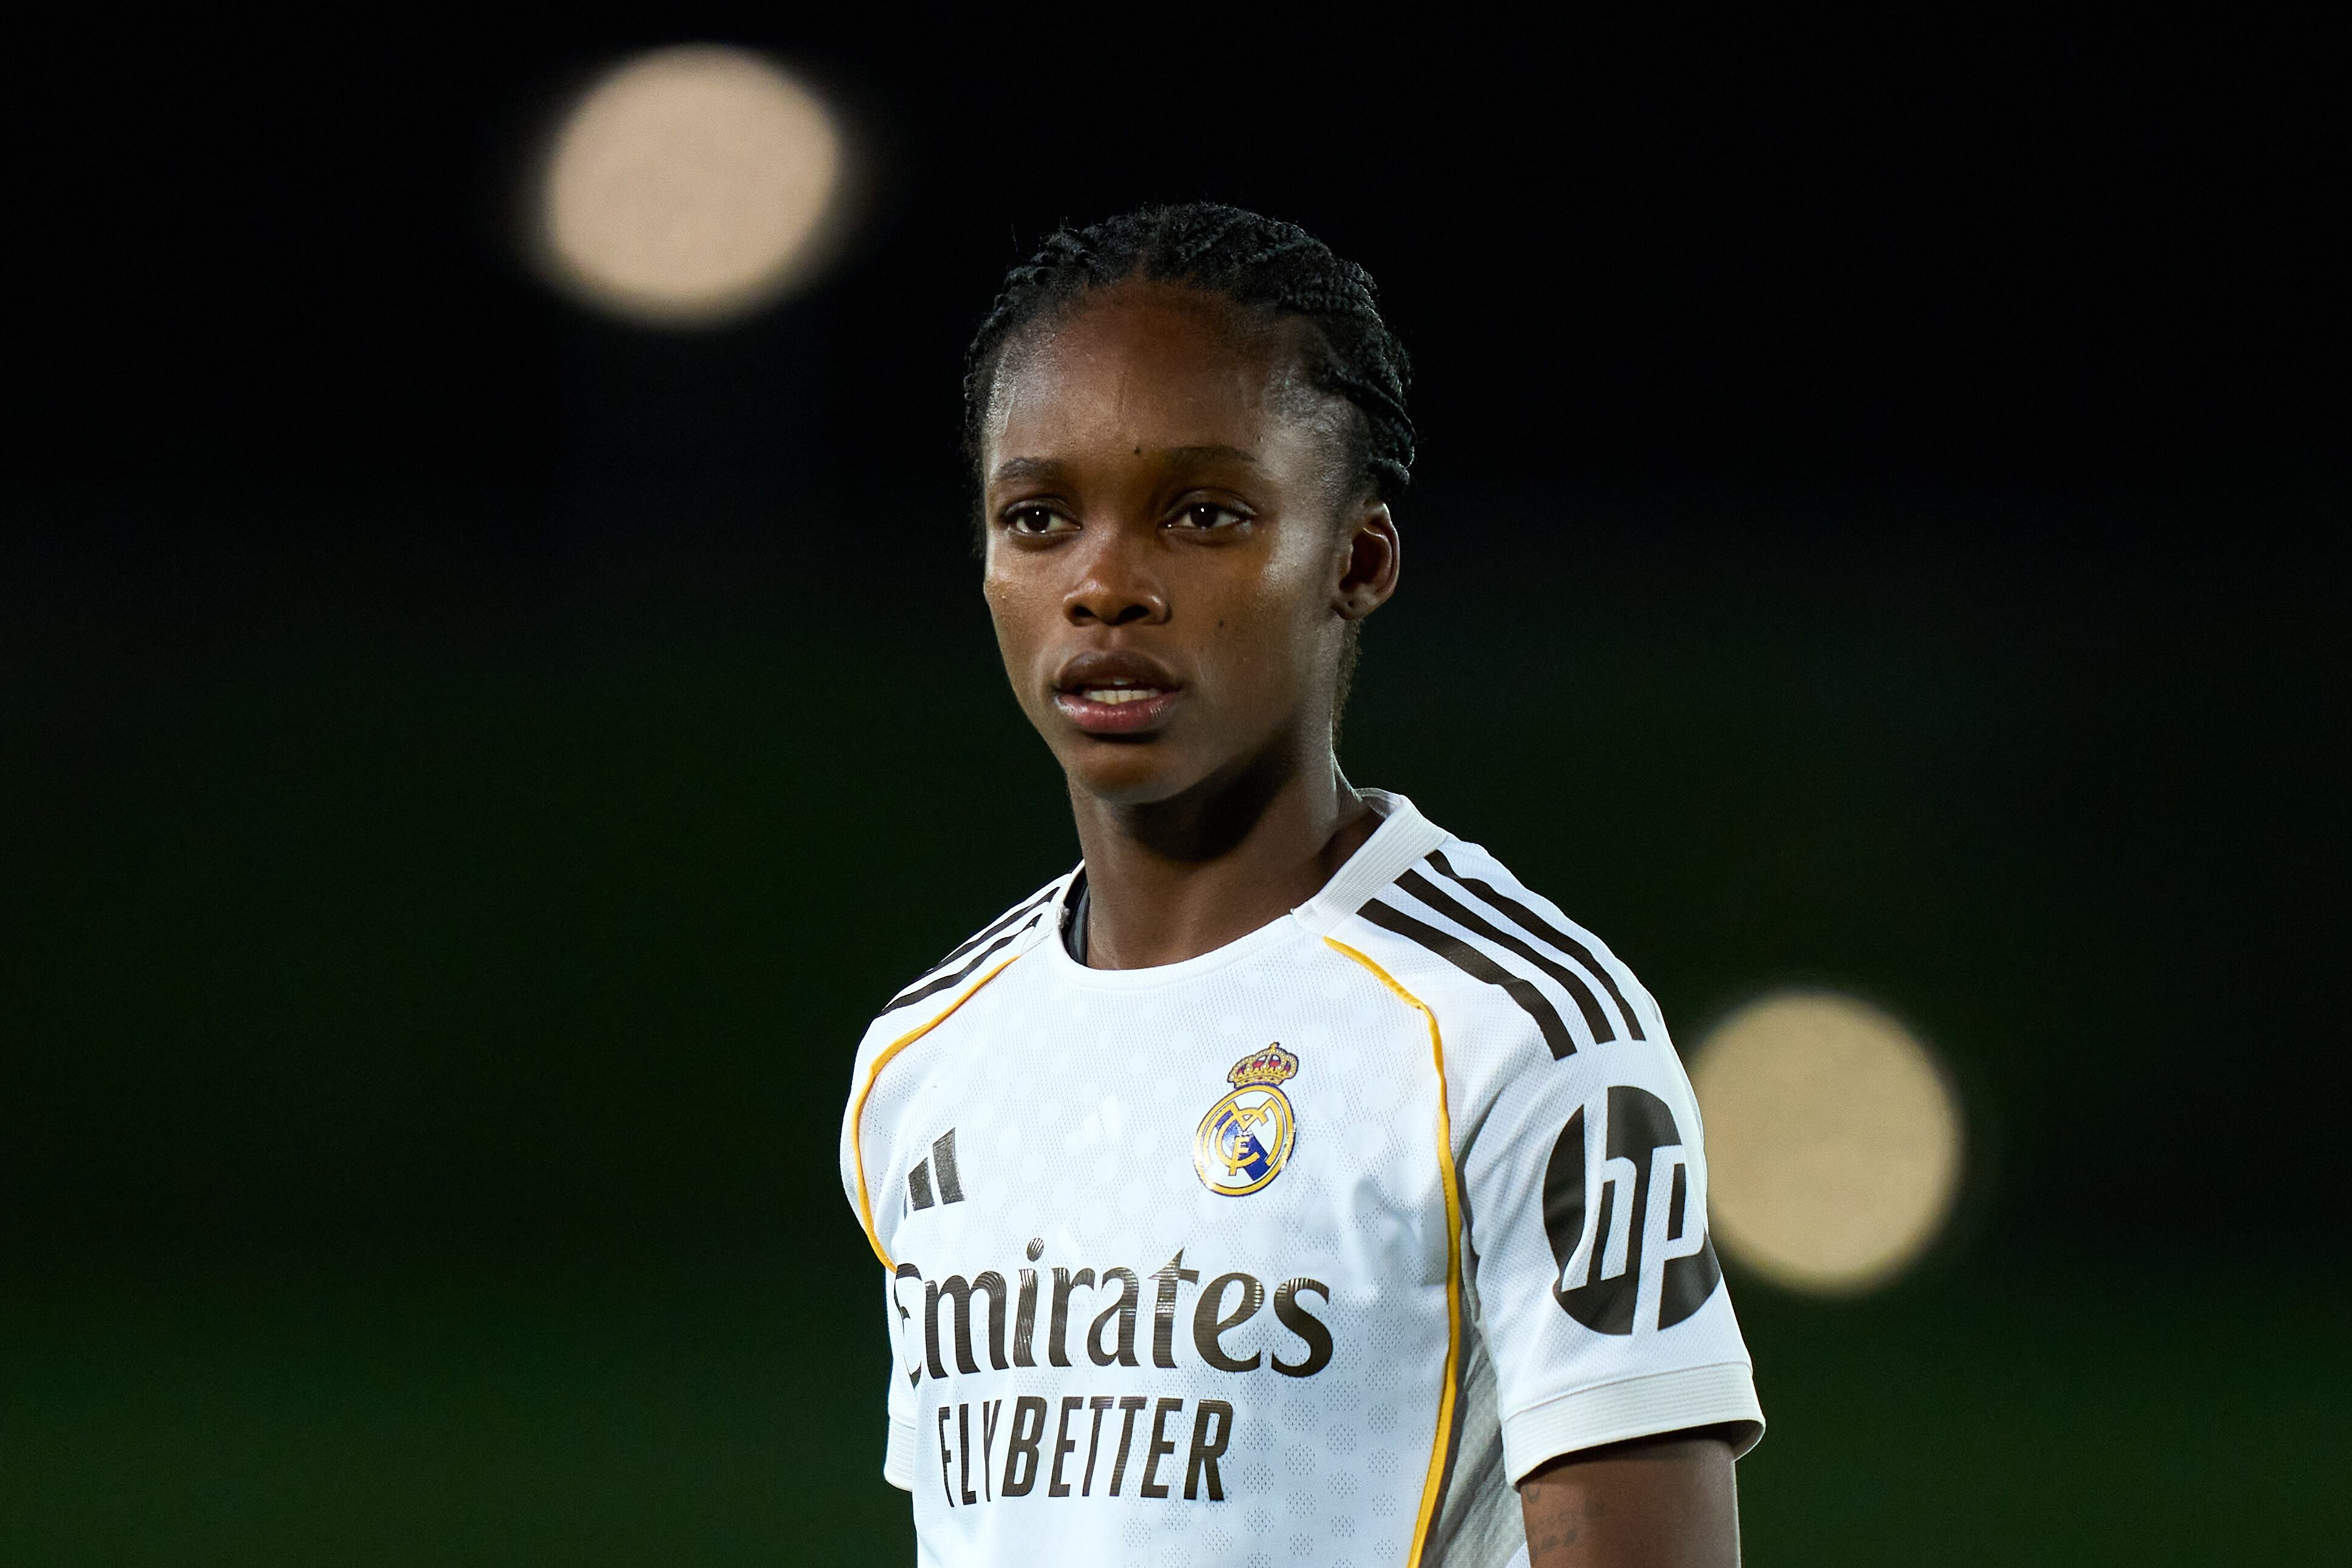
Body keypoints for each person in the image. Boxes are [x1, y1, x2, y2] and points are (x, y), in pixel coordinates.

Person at [837, 204, 1760, 1567]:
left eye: (1202, 514)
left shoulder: (1515, 1032)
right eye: (1037, 518)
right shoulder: (919, 1061)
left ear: (1357, 560)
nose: (1102, 584)